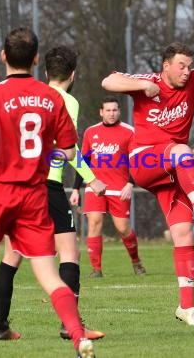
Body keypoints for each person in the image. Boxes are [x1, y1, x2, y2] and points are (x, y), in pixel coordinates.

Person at [0, 28, 94, 358]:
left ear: (3, 56)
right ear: (36, 59)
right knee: (49, 275)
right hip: (33, 195)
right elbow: (69, 152)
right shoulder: (53, 98)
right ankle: (76, 335)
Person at [101, 1, 194, 326]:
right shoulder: (148, 82)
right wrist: (140, 85)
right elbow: (108, 82)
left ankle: (187, 308)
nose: (186, 71)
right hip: (144, 161)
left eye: (188, 65)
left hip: (172, 172)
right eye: (180, 65)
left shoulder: (193, 80)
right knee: (183, 151)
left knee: (182, 235)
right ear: (166, 65)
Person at [0, 46, 107, 342]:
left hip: (18, 185)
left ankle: (0, 325)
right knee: (69, 253)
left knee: (12, 255)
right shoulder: (67, 101)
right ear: (73, 74)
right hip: (48, 184)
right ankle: (72, 326)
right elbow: (69, 149)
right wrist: (92, 180)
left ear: (45, 73)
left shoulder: (31, 98)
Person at [70, 96, 146, 278]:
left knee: (123, 229)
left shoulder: (130, 132)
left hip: (119, 188)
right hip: (94, 186)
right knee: (94, 224)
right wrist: (75, 189)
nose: (111, 114)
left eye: (114, 110)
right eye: (108, 110)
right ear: (101, 112)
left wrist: (130, 183)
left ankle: (136, 262)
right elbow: (82, 162)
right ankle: (96, 270)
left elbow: (137, 161)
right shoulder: (90, 132)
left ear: (119, 111)